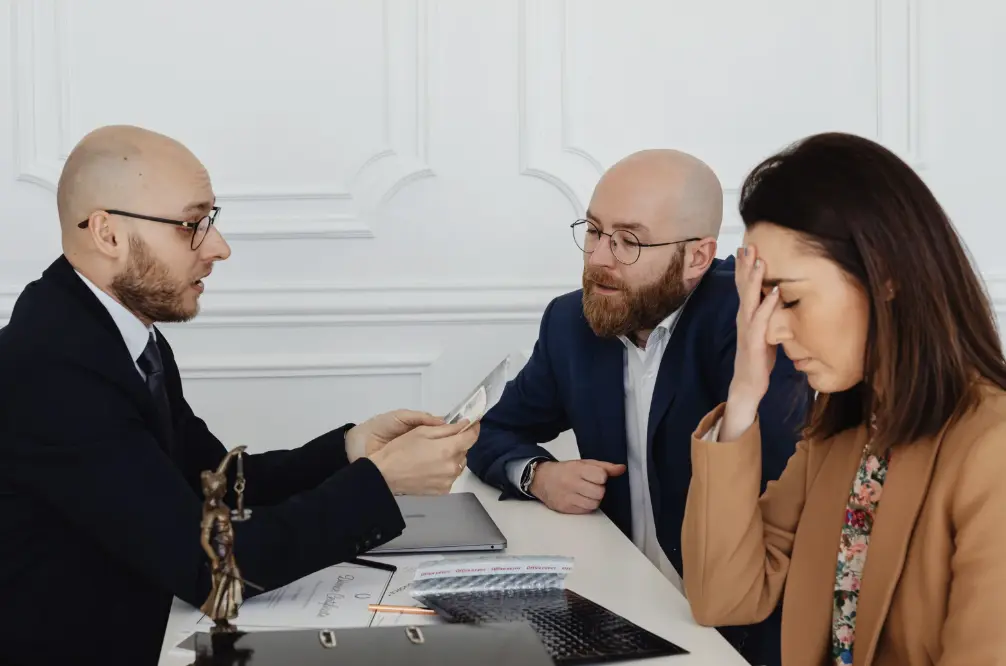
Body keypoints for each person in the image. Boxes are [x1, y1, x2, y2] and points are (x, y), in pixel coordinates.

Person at [0, 125, 479, 666]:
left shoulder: (115, 331)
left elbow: (215, 486)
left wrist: (351, 451)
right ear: (108, 234)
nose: (219, 248)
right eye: (191, 225)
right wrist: (382, 482)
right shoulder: (53, 370)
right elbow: (209, 568)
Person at [465, 149, 807, 666]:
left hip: (742, 630)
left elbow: (780, 499)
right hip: (623, 604)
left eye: (628, 241)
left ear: (697, 257)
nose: (600, 257)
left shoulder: (750, 325)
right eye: (595, 232)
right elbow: (490, 431)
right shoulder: (570, 322)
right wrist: (539, 475)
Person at [681, 132, 1006, 666]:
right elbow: (724, 596)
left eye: (790, 296)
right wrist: (743, 396)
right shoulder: (842, 435)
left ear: (886, 278)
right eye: (762, 301)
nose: (772, 330)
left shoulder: (989, 450)